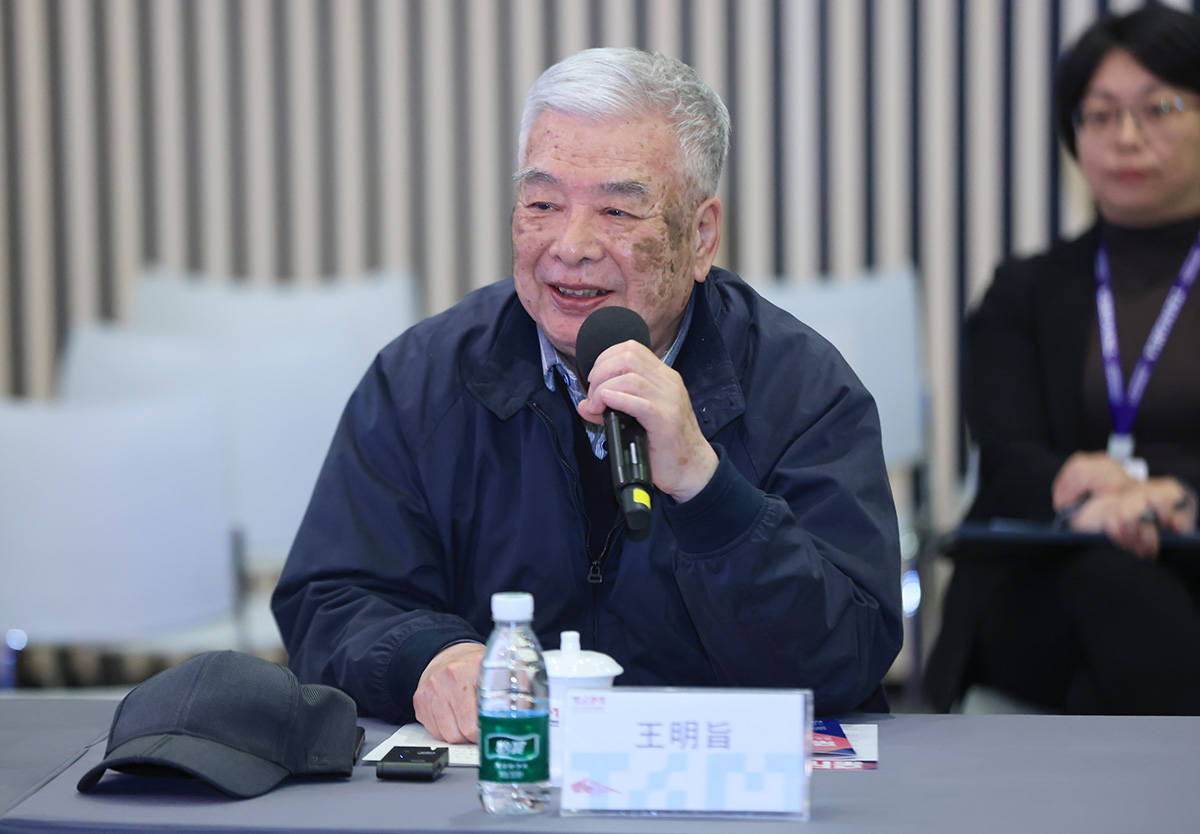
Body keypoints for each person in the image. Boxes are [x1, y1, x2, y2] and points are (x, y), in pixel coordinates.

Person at [272, 47, 902, 741]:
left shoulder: (804, 389)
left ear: (700, 237)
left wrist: (708, 490)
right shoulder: (422, 379)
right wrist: (425, 658)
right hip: (500, 781)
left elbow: (852, 653)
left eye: (617, 211)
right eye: (543, 203)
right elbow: (328, 600)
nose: (571, 246)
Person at [925, 4, 1200, 715]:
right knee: (1113, 585)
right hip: (1049, 575)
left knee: (1102, 683)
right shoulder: (1023, 291)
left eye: (1158, 108)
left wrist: (1178, 496)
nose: (1126, 137)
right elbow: (1009, 455)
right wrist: (1082, 495)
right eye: (1100, 115)